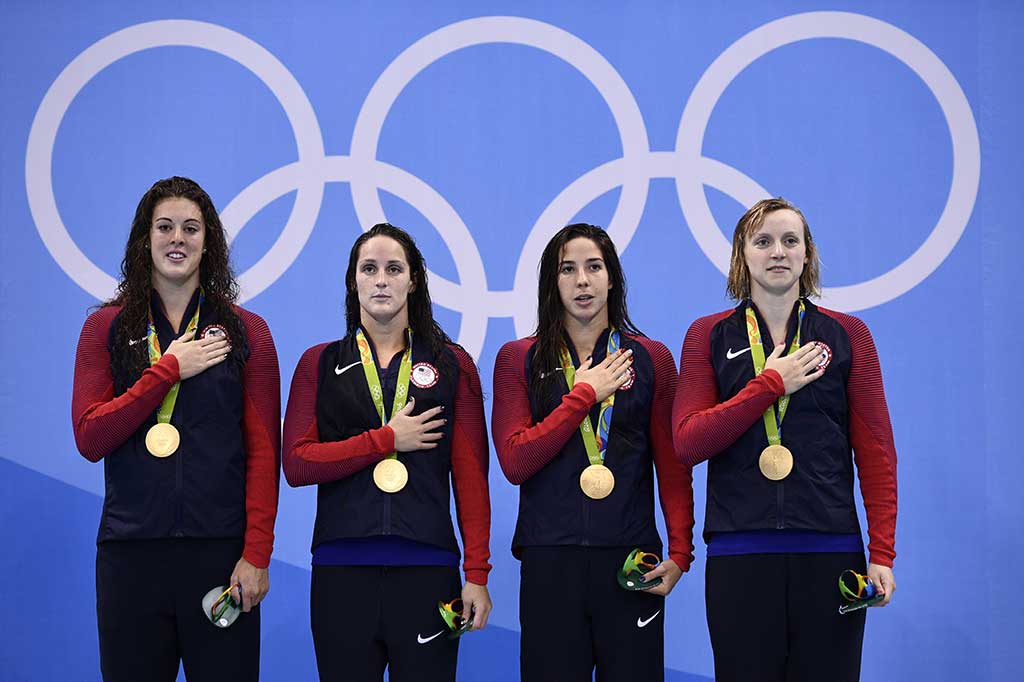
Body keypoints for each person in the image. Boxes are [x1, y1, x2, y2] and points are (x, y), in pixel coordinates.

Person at [672, 197, 897, 681]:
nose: (778, 251)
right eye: (764, 241)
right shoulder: (707, 335)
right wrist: (770, 385)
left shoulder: (848, 334)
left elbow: (876, 452)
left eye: (790, 240)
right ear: (742, 255)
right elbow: (688, 443)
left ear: (807, 255)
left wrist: (881, 552)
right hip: (740, 554)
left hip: (831, 552)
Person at [71, 176, 281, 681]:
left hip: (220, 558)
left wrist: (256, 554)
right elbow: (90, 437)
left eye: (191, 228)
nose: (177, 239)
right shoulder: (105, 328)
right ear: (145, 239)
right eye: (164, 227)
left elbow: (263, 454)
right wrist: (168, 369)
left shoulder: (246, 331)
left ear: (208, 243)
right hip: (130, 556)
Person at [282, 223, 492, 682]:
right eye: (370, 268)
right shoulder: (317, 363)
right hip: (341, 573)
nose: (381, 280)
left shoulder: (452, 364)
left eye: (394, 269)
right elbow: (297, 464)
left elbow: (472, 476)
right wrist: (386, 440)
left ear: (413, 280)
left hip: (428, 572)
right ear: (352, 280)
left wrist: (476, 572)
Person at [491, 223, 694, 682]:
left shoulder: (651, 357)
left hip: (630, 560)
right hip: (550, 559)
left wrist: (681, 550)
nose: (582, 281)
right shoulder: (518, 358)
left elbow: (672, 463)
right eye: (568, 269)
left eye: (594, 267)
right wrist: (583, 394)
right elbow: (515, 461)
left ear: (612, 278)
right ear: (551, 281)